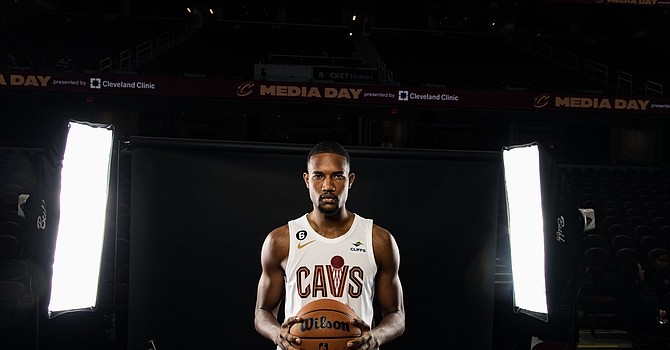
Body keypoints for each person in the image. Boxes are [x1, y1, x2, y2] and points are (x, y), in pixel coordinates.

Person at [254, 141, 405, 350]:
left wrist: (376, 337)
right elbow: (262, 311)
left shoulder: (378, 240)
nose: (328, 186)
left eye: (337, 175)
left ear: (350, 180)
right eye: (318, 176)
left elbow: (396, 315)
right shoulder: (281, 240)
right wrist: (277, 333)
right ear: (307, 180)